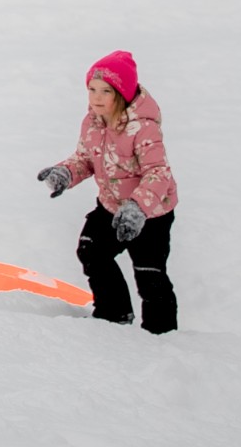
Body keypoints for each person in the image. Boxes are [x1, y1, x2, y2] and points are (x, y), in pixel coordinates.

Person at [37, 49, 178, 333]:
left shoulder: (143, 129)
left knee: (149, 273)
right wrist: (66, 172)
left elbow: (157, 172)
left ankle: (162, 335)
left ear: (122, 93)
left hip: (149, 214)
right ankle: (114, 314)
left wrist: (138, 207)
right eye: (91, 90)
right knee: (91, 250)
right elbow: (86, 159)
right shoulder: (92, 122)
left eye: (105, 91)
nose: (96, 97)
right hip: (111, 207)